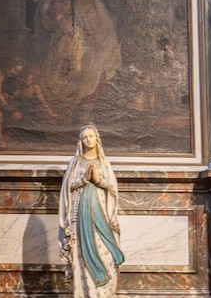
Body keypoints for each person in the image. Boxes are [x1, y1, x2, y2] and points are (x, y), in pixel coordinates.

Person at [33, 0, 123, 117]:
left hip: (94, 17)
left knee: (98, 59)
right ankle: (61, 109)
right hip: (70, 18)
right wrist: (59, 18)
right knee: (74, 61)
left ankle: (87, 107)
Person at [59, 124, 124, 298]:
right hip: (81, 219)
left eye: (91, 136)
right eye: (84, 137)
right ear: (80, 141)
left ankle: (105, 294)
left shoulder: (104, 164)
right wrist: (84, 179)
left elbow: (112, 189)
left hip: (102, 217)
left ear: (97, 139)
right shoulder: (75, 164)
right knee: (81, 257)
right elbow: (67, 188)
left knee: (107, 257)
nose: (88, 139)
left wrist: (97, 180)